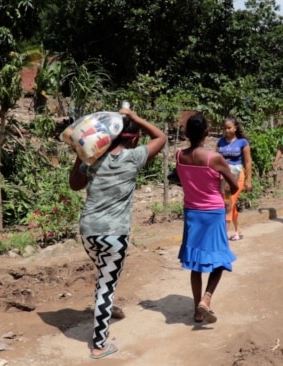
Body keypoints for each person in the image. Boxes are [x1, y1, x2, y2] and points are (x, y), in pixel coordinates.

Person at [69, 108, 166, 359]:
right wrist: (136, 117)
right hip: (115, 235)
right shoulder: (134, 157)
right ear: (133, 138)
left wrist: (82, 153)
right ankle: (99, 345)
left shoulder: (93, 159)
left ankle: (107, 308)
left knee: (104, 277)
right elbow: (161, 138)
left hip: (89, 231)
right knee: (106, 285)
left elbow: (74, 184)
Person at [176, 112, 239, 324]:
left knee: (196, 263)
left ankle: (197, 311)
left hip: (192, 212)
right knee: (220, 260)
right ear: (206, 132)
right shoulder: (215, 158)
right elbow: (235, 185)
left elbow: (180, 178)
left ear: (186, 133)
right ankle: (207, 299)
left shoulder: (179, 156)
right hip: (213, 213)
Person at [216, 117, 252, 240]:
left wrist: (248, 180)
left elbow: (247, 162)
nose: (226, 130)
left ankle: (222, 234)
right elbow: (215, 158)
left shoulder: (243, 142)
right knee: (229, 202)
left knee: (229, 201)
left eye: (229, 127)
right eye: (225, 128)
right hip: (223, 175)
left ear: (235, 128)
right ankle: (238, 230)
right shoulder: (220, 142)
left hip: (237, 175)